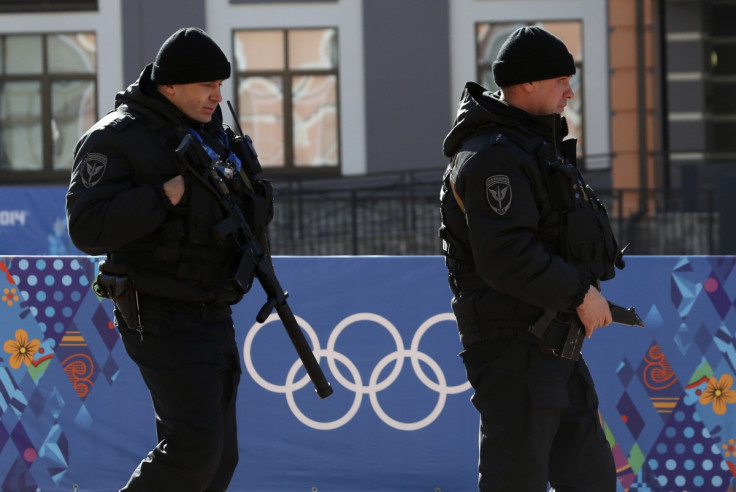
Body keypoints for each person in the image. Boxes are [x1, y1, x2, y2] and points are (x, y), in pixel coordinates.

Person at [66, 27, 273, 491]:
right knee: (194, 449)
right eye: (207, 86)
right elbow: (86, 226)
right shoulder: (116, 139)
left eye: (220, 86)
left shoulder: (210, 133)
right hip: (157, 310)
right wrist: (162, 196)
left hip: (211, 309)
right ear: (170, 86)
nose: (217, 97)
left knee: (218, 458)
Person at [439, 26, 622, 492]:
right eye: (561, 80)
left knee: (591, 479)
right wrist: (579, 293)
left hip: (555, 347)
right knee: (515, 481)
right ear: (525, 84)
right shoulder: (491, 157)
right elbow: (507, 257)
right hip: (513, 351)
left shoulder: (531, 149)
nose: (570, 92)